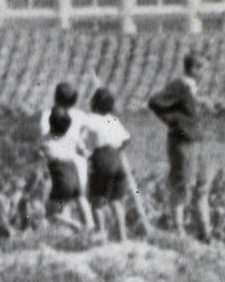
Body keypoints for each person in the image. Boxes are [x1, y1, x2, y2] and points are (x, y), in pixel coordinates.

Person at [147, 52, 203, 237]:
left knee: (186, 183)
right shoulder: (180, 85)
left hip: (189, 141)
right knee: (181, 183)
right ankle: (178, 228)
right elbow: (155, 101)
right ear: (193, 68)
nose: (203, 73)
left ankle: (180, 226)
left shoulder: (190, 87)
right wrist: (175, 121)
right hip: (182, 142)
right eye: (201, 68)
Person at [81, 87, 146, 239]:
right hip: (116, 158)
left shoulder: (90, 119)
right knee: (115, 201)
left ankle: (101, 234)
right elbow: (127, 139)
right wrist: (117, 150)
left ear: (93, 103)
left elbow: (81, 140)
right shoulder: (113, 119)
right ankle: (123, 237)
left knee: (96, 201)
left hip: (101, 157)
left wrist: (86, 153)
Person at [40, 106, 93, 235]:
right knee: (81, 198)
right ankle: (90, 224)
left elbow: (41, 154)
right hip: (73, 171)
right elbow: (83, 151)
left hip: (60, 174)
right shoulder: (71, 137)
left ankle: (74, 224)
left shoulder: (46, 140)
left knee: (50, 213)